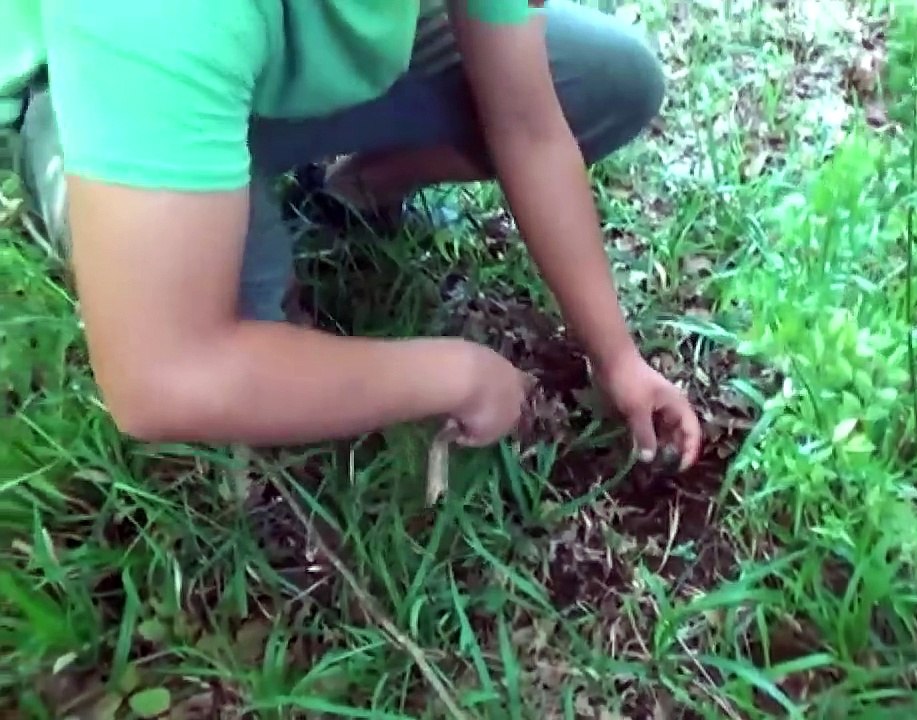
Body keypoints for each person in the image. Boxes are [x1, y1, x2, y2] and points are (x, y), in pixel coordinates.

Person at [1, 0, 702, 470]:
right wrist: (455, 375)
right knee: (235, 349)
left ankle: (349, 192)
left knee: (608, 79)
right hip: (102, 86)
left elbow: (529, 121)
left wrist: (618, 357)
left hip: (277, 54)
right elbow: (162, 379)